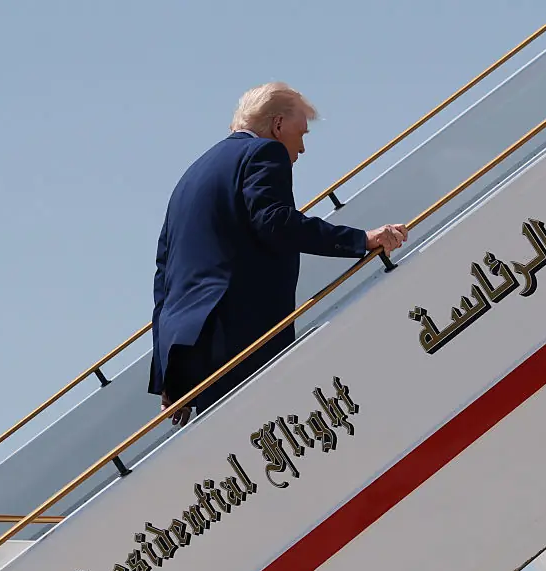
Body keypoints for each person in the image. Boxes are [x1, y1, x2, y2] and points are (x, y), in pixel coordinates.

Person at [149, 82, 408, 426]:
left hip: (188, 349)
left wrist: (170, 375)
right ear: (277, 126)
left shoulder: (191, 175)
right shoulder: (263, 154)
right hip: (239, 337)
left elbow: (163, 274)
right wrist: (361, 239)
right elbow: (276, 222)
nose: (301, 148)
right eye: (301, 133)